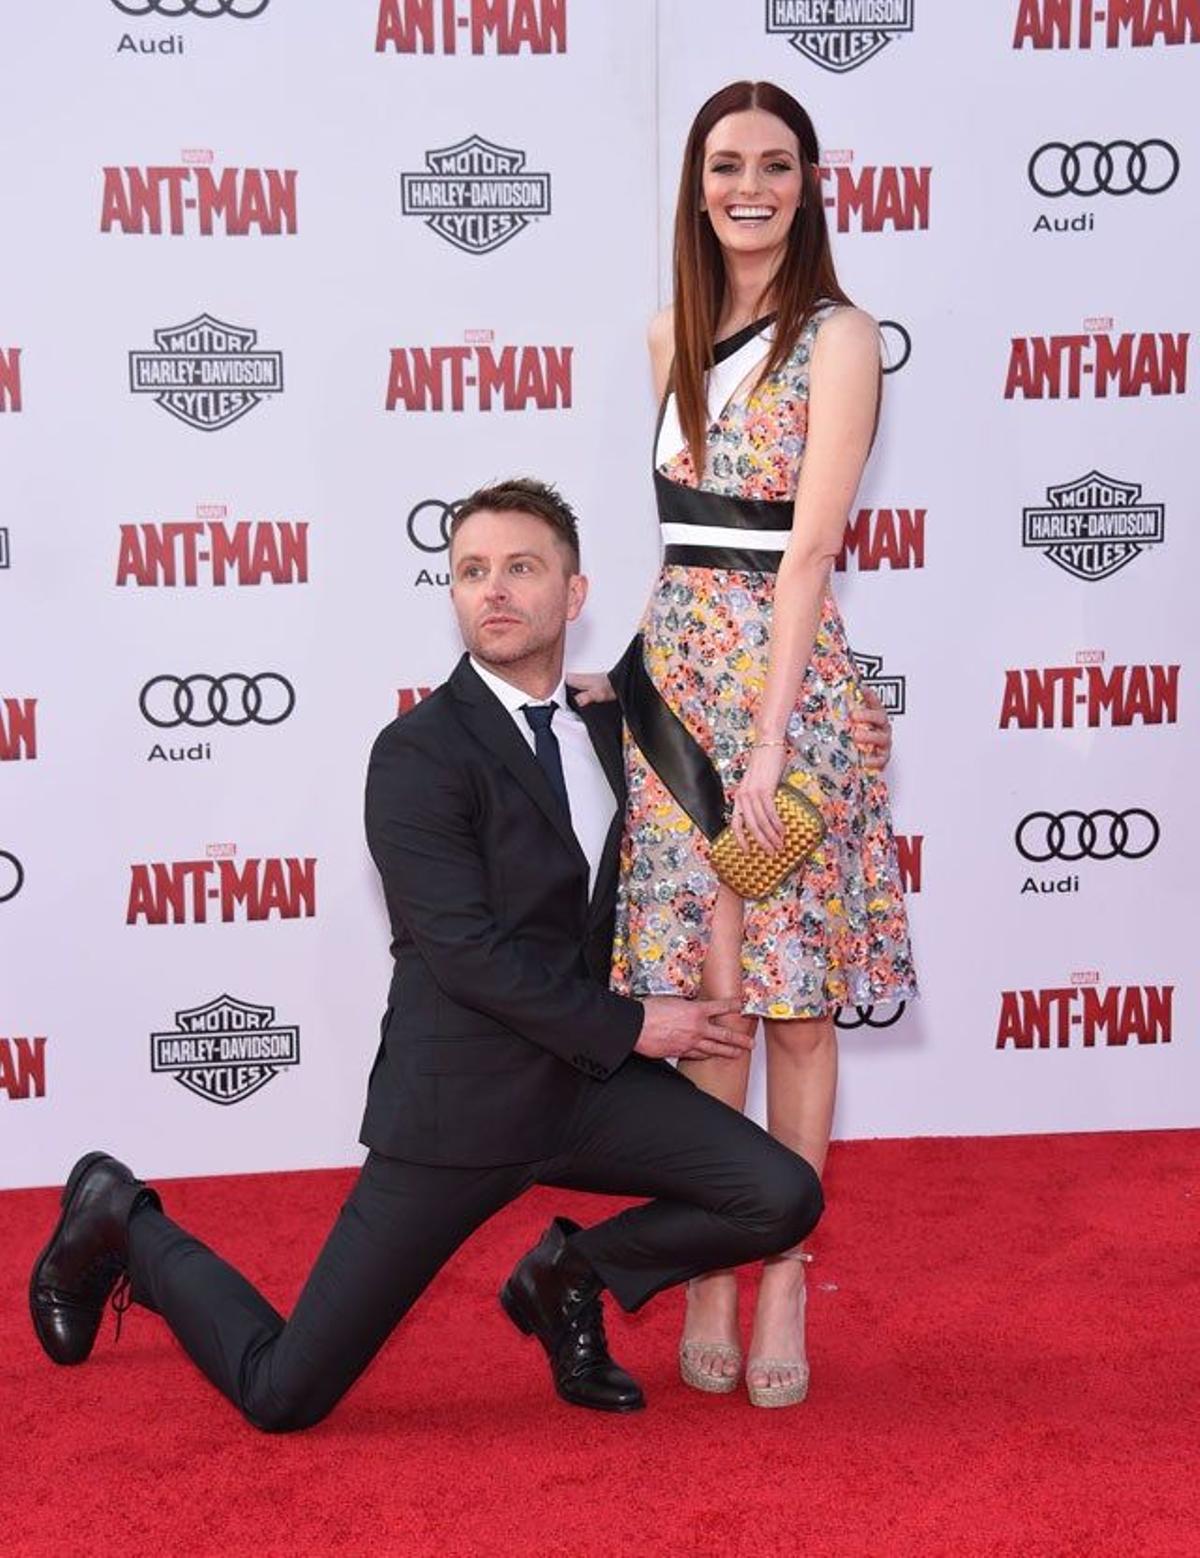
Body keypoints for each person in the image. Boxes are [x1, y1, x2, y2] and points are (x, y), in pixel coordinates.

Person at [29, 478, 828, 1431]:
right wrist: (636, 1025)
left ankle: (565, 1276)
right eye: (471, 572)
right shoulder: (414, 753)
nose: (493, 590)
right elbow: (467, 956)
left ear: (574, 595)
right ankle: (123, 1219)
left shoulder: (618, 729)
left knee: (781, 1195)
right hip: (458, 1107)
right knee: (283, 1394)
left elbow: (753, 731)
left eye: (521, 568)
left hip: (586, 1091)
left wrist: (864, 725)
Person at [576, 80, 917, 1408]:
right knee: (710, 1001)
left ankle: (781, 1269)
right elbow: (683, 541)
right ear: (698, 180)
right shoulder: (666, 328)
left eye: (777, 163)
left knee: (799, 1000)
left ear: (811, 180)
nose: (750, 185)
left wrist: (772, 742)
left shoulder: (837, 335)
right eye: (727, 163)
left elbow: (808, 547)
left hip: (792, 701)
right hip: (675, 693)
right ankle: (711, 1257)